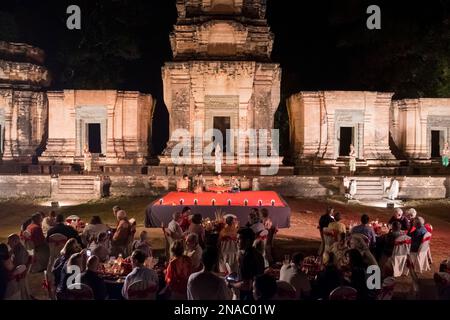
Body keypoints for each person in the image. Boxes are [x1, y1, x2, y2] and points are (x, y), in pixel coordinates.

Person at [228, 228, 265, 301]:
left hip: (248, 296)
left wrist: (231, 284)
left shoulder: (246, 258)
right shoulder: (258, 254)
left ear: (247, 241)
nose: (236, 241)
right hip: (258, 294)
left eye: (239, 239)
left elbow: (247, 285)